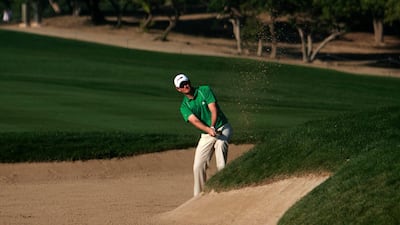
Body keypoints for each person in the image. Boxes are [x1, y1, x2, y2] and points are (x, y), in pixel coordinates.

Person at [173, 73, 233, 197]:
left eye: (186, 82)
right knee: (198, 166)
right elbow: (195, 121)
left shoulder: (204, 90)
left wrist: (212, 126)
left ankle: (223, 187)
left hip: (222, 127)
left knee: (221, 148)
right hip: (206, 135)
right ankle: (198, 196)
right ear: (178, 89)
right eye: (182, 85)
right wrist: (208, 130)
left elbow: (213, 109)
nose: (186, 86)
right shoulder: (184, 106)